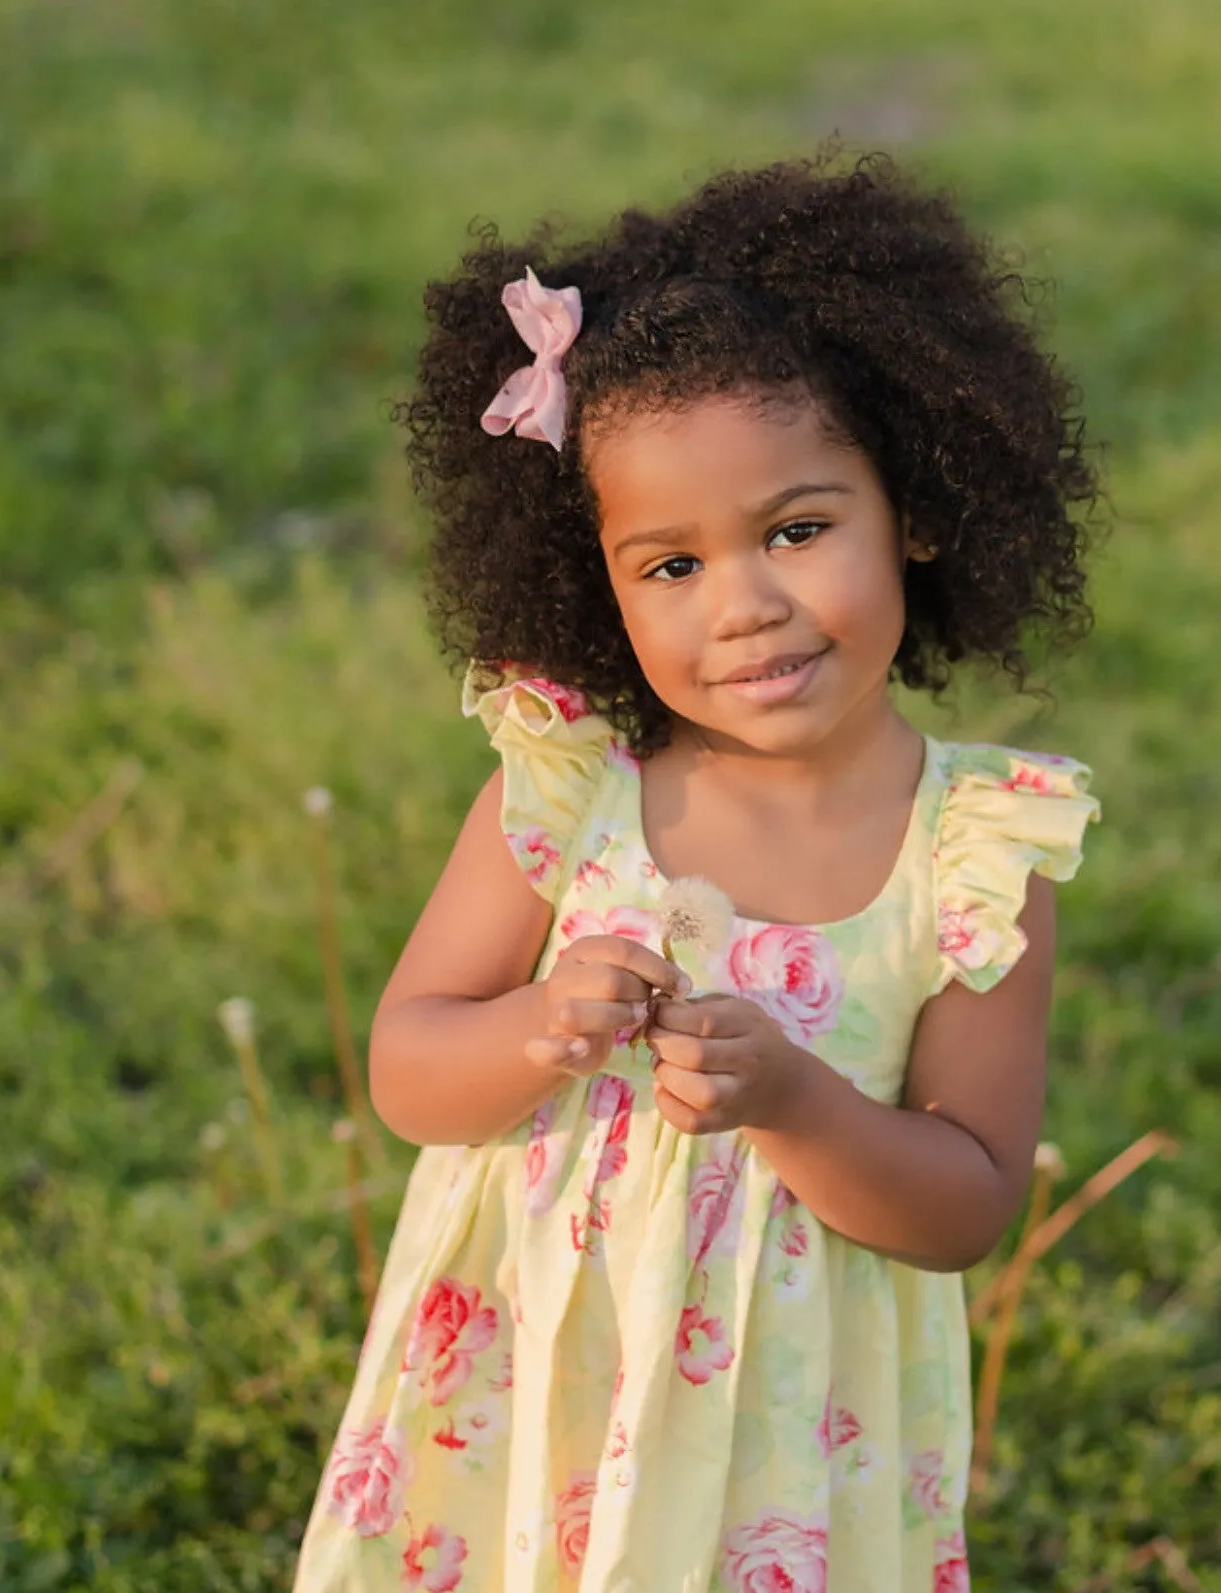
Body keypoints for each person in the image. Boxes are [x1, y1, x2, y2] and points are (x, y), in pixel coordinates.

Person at [294, 151, 1101, 1593]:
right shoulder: (569, 793)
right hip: (539, 1385)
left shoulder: (974, 853)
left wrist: (795, 1103)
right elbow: (409, 1072)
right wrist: (539, 1027)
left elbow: (966, 1202)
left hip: (791, 1441)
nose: (745, 606)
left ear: (909, 507)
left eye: (798, 530)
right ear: (590, 579)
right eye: (669, 566)